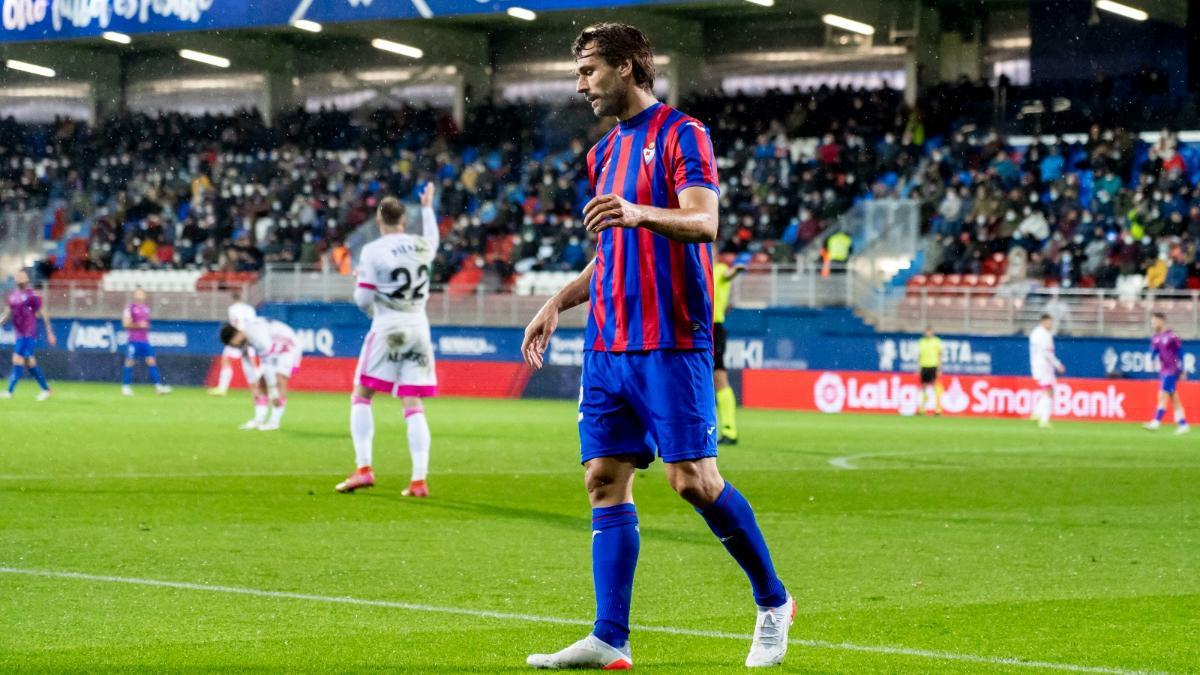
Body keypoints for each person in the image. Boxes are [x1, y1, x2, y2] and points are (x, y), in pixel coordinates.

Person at [521, 23, 791, 670]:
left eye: (589, 69)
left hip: (670, 338)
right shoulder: (602, 153)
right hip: (609, 342)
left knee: (693, 480)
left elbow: (705, 221)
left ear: (627, 66)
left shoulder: (683, 134)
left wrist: (640, 211)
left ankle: (774, 600)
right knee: (602, 480)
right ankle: (610, 636)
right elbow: (610, 249)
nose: (580, 83)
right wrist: (556, 302)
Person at [335, 184, 438, 498]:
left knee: (362, 394)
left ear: (380, 221)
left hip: (388, 328)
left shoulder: (373, 251)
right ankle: (419, 479)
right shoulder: (423, 245)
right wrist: (428, 207)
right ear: (403, 221)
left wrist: (369, 300)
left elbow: (363, 297)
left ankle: (364, 468)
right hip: (419, 327)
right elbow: (434, 237)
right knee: (412, 401)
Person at [219, 317, 300, 431]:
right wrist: (253, 388)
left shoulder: (256, 335)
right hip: (274, 348)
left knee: (279, 379)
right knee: (261, 383)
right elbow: (248, 364)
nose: (234, 347)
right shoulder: (245, 339)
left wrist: (272, 389)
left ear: (236, 335)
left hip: (289, 345)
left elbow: (268, 362)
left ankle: (274, 422)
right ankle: (259, 420)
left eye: (233, 344)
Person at [1, 270, 56, 401]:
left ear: (26, 280)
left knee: (17, 359)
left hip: (28, 333)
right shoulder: (13, 296)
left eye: (22, 276)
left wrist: (49, 331)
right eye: (18, 276)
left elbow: (43, 312)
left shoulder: (31, 295)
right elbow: (7, 313)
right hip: (19, 334)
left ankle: (9, 391)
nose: (20, 278)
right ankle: (46, 389)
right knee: (30, 363)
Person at [713, 256, 745, 444]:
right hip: (694, 327)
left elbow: (728, 274)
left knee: (719, 377)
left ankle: (729, 429)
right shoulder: (695, 269)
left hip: (713, 327)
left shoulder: (719, 269)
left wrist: (737, 270)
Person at [1144, 312, 1190, 435]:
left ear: (1161, 321)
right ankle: (1183, 424)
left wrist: (1183, 369)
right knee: (1174, 398)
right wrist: (1152, 358)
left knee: (1162, 395)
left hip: (1172, 370)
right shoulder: (1155, 337)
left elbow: (1181, 353)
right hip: (1163, 370)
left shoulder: (1172, 336)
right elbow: (1153, 352)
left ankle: (1156, 422)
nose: (1152, 324)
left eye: (1154, 321)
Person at [121, 288, 171, 396]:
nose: (140, 296)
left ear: (144, 296)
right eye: (138, 294)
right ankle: (125, 387)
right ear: (134, 295)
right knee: (129, 362)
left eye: (142, 294)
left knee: (152, 361)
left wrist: (145, 325)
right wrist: (139, 325)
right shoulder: (129, 308)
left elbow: (146, 324)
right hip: (133, 340)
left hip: (144, 340)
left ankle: (158, 387)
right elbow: (125, 324)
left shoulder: (146, 309)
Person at [209, 290, 258, 396]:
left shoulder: (232, 309)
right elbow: (254, 323)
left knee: (226, 360)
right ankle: (261, 388)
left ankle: (222, 389)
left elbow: (235, 323)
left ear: (232, 299)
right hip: (250, 337)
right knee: (252, 364)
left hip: (237, 337)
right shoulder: (250, 309)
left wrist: (235, 338)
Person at [1029, 314, 1065, 429]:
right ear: (1043, 322)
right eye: (1049, 322)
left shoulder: (1035, 333)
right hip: (1044, 366)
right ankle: (1043, 420)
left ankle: (1037, 412)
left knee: (1047, 390)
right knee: (1049, 391)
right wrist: (1058, 364)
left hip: (1037, 365)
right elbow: (1047, 353)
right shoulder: (1044, 335)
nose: (1051, 325)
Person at [916, 326, 943, 415]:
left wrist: (939, 367)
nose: (928, 333)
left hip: (933, 365)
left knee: (935, 386)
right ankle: (922, 409)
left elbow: (940, 355)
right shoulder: (921, 342)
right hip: (924, 366)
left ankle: (938, 409)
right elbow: (919, 355)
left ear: (932, 332)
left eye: (930, 332)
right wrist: (918, 367)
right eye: (927, 332)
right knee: (923, 387)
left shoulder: (937, 341)